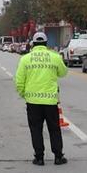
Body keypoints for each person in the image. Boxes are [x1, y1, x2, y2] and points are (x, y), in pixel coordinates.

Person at [14, 32, 68, 166]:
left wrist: (24, 94)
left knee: (36, 129)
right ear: (45, 44)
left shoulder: (25, 59)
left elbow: (19, 81)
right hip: (50, 101)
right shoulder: (54, 57)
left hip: (33, 102)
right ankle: (58, 156)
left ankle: (39, 158)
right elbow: (63, 72)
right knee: (54, 128)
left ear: (33, 44)